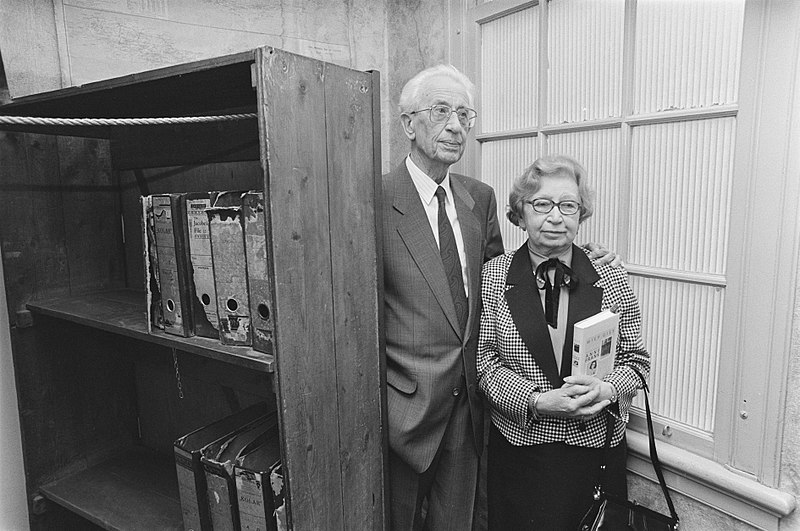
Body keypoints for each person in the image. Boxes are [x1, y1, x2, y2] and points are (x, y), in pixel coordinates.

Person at [382, 65, 620, 530]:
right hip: (407, 411)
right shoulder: (372, 198)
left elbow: (505, 282)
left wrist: (581, 253)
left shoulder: (479, 198)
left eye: (466, 115)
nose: (456, 126)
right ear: (409, 123)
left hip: (475, 411)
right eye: (441, 111)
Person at [476, 154, 650, 530]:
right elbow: (485, 364)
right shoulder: (493, 277)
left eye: (568, 205)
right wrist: (537, 401)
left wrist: (606, 389)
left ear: (581, 213)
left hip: (596, 454)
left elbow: (637, 360)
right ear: (520, 214)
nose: (556, 216)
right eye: (542, 204)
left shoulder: (610, 277)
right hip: (521, 453)